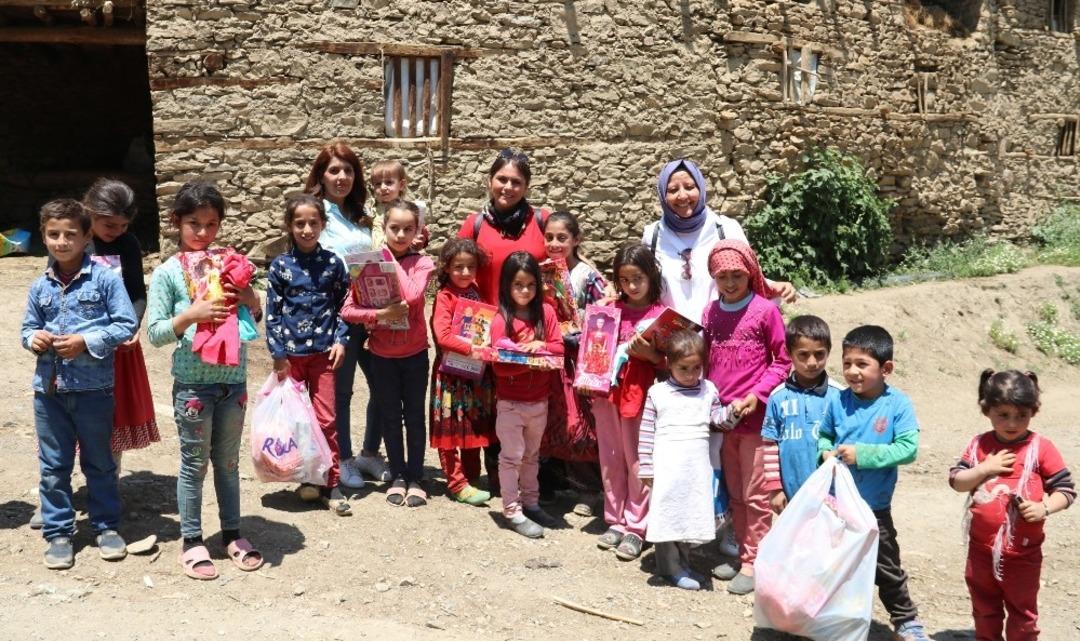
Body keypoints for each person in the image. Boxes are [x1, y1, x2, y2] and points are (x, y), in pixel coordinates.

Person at [147, 181, 264, 580]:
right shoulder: (168, 273)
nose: (202, 232)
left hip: (234, 382)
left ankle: (231, 532)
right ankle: (192, 539)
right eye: (194, 223)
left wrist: (250, 298)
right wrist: (190, 316)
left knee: (228, 463)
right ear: (176, 222)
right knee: (194, 464)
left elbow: (253, 316)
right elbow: (155, 332)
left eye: (211, 224)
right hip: (194, 385)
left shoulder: (230, 266)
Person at [22, 199, 137, 569]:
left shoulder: (105, 279)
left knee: (99, 462)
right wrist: (34, 339)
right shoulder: (39, 287)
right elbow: (27, 328)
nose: (62, 241)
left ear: (87, 236)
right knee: (53, 465)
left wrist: (85, 341)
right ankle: (58, 532)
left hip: (93, 390)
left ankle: (106, 526)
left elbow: (125, 324)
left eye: (71, 234)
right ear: (43, 237)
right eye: (53, 234)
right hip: (49, 392)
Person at [819, 325, 929, 641]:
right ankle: (831, 619)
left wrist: (862, 454)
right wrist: (823, 451)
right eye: (847, 363)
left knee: (886, 566)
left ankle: (906, 621)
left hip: (874, 507)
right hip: (837, 505)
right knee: (835, 565)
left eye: (862, 364)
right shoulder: (838, 401)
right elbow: (824, 435)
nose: (852, 371)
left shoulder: (897, 404)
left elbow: (907, 449)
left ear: (886, 368)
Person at [949, 369, 1075, 641]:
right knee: (984, 609)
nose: (1012, 423)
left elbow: (1065, 490)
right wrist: (985, 468)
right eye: (1003, 414)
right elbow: (957, 482)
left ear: (1034, 411)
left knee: (1023, 614)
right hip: (980, 552)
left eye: (1021, 415)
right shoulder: (980, 445)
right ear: (987, 409)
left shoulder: (1040, 447)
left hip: (1023, 554)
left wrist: (1044, 508)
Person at [701, 239, 791, 595]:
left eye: (737, 275)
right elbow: (704, 360)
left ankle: (757, 561)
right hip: (723, 420)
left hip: (755, 420)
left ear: (750, 273)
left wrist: (757, 395)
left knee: (756, 494)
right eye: (722, 276)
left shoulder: (765, 311)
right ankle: (743, 552)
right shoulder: (710, 313)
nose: (730, 283)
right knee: (735, 491)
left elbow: (782, 361)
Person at [304, 141, 389, 488]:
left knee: (383, 385)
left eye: (348, 170)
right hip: (337, 314)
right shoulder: (315, 215)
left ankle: (370, 452)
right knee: (341, 390)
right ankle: (344, 458)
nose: (342, 177)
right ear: (321, 176)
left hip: (373, 313)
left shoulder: (361, 216)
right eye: (334, 170)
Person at [340, 199, 435, 508]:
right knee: (391, 417)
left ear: (418, 231)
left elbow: (411, 295)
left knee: (414, 417)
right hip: (382, 356)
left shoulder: (423, 264)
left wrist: (385, 259)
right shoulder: (362, 265)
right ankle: (398, 475)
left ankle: (415, 477)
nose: (401, 235)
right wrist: (380, 314)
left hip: (414, 354)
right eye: (394, 228)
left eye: (408, 229)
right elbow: (348, 310)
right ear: (384, 229)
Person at [264, 194, 352, 515]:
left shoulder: (333, 264)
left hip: (325, 355)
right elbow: (273, 312)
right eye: (299, 223)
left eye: (313, 222)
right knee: (298, 421)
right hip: (292, 358)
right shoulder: (280, 266)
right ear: (289, 225)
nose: (306, 229)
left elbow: (345, 305)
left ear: (323, 225)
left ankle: (331, 483)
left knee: (326, 419)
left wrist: (341, 340)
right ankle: (306, 479)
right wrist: (277, 353)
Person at [641, 158, 796, 326]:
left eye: (690, 187)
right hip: (673, 337)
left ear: (701, 188)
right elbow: (644, 285)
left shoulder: (726, 229)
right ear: (663, 195)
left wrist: (774, 286)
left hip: (721, 332)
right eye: (673, 190)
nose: (682, 195)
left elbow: (749, 276)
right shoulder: (653, 236)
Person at [592, 243, 666, 561]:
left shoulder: (661, 316)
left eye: (638, 278)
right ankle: (615, 519)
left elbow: (673, 364)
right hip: (606, 395)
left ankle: (637, 525)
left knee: (638, 461)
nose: (632, 286)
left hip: (640, 397)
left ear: (651, 276)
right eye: (625, 280)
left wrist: (651, 355)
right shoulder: (609, 311)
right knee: (610, 458)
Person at [639, 330, 726, 591]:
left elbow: (717, 419)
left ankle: (683, 564)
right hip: (668, 466)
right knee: (668, 514)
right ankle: (670, 568)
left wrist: (733, 412)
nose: (690, 374)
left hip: (695, 467)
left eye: (696, 367)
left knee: (688, 513)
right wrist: (646, 466)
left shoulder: (708, 390)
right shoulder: (658, 393)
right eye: (683, 368)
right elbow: (646, 432)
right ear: (669, 364)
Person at [84, 178, 161, 467]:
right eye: (109, 225)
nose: (116, 232)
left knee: (114, 412)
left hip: (118, 344)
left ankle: (108, 479)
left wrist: (133, 325)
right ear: (90, 212)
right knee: (79, 413)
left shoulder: (128, 244)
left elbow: (137, 292)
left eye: (123, 226)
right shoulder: (73, 241)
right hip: (78, 345)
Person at [489, 251, 564, 538]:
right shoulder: (501, 320)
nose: (525, 291)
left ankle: (531, 503)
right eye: (518, 285)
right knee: (511, 457)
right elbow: (500, 366)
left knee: (532, 455)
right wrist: (531, 360)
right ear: (507, 285)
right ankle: (512, 510)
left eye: (531, 285)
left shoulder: (546, 313)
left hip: (539, 402)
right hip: (510, 403)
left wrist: (539, 347)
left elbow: (558, 349)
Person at [429, 238, 496, 506]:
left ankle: (471, 476)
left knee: (471, 421)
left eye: (471, 267)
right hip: (451, 375)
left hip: (474, 373)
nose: (465, 272)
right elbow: (443, 335)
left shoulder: (475, 291)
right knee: (449, 426)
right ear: (446, 267)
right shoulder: (445, 297)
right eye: (458, 267)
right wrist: (473, 349)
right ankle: (456, 483)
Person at [761, 315, 843, 513]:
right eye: (803, 355)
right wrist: (775, 488)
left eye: (819, 354)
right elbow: (769, 444)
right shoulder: (777, 397)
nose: (812, 362)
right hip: (792, 492)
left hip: (832, 493)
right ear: (789, 353)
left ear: (829, 351)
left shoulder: (840, 396)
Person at [457, 148, 548, 305]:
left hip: (536, 317)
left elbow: (569, 260)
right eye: (502, 179)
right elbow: (455, 272)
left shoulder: (542, 221)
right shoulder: (474, 225)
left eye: (516, 182)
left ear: (526, 187)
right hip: (489, 316)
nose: (508, 187)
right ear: (490, 181)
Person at [543, 210, 607, 320]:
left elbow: (600, 316)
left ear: (576, 240)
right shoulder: (538, 271)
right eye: (549, 238)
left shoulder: (588, 276)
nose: (554, 244)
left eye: (561, 238)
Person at [369, 158, 430, 251]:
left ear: (401, 185)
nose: (383, 187)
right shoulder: (371, 209)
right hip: (377, 257)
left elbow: (419, 235)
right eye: (378, 184)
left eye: (388, 182)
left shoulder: (408, 211)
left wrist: (420, 240)